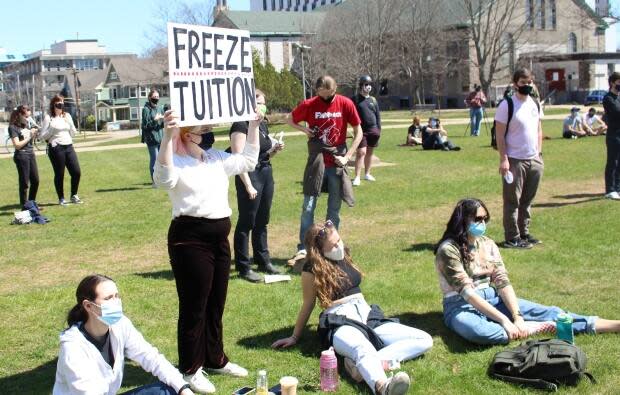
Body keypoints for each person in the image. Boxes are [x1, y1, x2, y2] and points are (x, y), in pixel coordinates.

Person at [154, 109, 262, 393]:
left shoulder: (215, 158)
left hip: (218, 239)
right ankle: (190, 368)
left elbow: (248, 160)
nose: (210, 134)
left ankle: (215, 358)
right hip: (189, 240)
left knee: (216, 302)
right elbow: (163, 180)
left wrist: (253, 126)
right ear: (187, 135)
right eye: (204, 131)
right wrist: (167, 136)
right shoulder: (176, 159)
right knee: (194, 305)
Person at [272, 221, 433, 395]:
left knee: (424, 340)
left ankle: (360, 366)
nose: (339, 245)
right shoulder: (311, 269)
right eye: (333, 245)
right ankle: (382, 386)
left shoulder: (344, 254)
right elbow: (308, 303)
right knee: (362, 348)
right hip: (340, 320)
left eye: (339, 240)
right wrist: (294, 337)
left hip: (367, 314)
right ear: (319, 251)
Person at [435, 198, 620, 346]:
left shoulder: (488, 243)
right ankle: (538, 329)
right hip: (460, 305)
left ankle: (608, 324)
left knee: (549, 311)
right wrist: (505, 321)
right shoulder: (448, 250)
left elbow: (502, 282)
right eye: (477, 219)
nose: (482, 223)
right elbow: (468, 294)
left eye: (485, 219)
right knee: (480, 333)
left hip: (492, 297)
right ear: (463, 220)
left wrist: (517, 316)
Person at [53, 274, 195, 395]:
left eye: (117, 296)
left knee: (170, 390)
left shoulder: (120, 324)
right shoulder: (73, 347)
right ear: (88, 306)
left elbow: (150, 356)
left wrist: (183, 388)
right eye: (108, 298)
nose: (116, 302)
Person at [286, 76, 362, 267]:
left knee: (334, 208)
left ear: (335, 89)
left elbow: (358, 132)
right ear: (317, 90)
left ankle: (330, 245)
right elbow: (290, 119)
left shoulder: (345, 103)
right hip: (316, 162)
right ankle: (304, 248)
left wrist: (347, 157)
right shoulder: (309, 104)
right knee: (308, 206)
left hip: (337, 161)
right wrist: (305, 131)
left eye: (331, 95)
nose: (328, 98)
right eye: (324, 95)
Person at [230, 89, 283, 282]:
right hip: (250, 176)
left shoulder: (261, 125)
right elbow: (238, 158)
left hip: (265, 172)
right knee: (247, 222)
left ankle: (263, 260)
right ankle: (244, 267)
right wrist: (248, 185)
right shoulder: (240, 125)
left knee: (262, 220)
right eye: (260, 101)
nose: (263, 105)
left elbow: (261, 155)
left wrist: (273, 151)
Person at [494, 68, 543, 249]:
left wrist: (539, 153)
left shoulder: (535, 104)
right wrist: (503, 159)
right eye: (523, 83)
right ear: (515, 84)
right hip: (514, 159)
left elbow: (538, 129)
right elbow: (500, 136)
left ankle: (524, 232)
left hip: (534, 159)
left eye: (529, 82)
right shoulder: (507, 105)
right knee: (512, 201)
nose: (527, 86)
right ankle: (512, 237)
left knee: (527, 200)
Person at [39, 94, 83, 206]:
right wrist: (52, 129)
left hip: (68, 146)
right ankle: (61, 198)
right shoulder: (49, 117)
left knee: (76, 172)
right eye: (58, 103)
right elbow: (43, 136)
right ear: (53, 104)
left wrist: (71, 125)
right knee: (60, 174)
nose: (61, 105)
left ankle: (74, 195)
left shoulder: (67, 115)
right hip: (56, 147)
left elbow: (73, 133)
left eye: (62, 103)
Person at [351, 75, 382, 186]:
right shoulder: (355, 99)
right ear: (361, 85)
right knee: (361, 152)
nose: (368, 87)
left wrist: (379, 130)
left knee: (369, 153)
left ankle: (367, 173)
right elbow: (349, 113)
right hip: (361, 131)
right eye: (366, 84)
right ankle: (357, 177)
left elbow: (378, 116)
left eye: (369, 84)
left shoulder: (373, 100)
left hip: (373, 130)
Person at [8, 105, 40, 208]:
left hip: (31, 154)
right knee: (24, 182)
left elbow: (31, 140)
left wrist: (35, 134)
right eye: (26, 117)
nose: (28, 119)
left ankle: (31, 203)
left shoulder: (26, 126)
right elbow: (17, 145)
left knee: (35, 180)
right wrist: (30, 136)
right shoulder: (13, 127)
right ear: (20, 115)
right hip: (22, 155)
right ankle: (25, 205)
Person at [141, 89, 165, 184]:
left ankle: (161, 179)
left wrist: (164, 120)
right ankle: (154, 181)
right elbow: (145, 126)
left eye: (157, 97)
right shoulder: (146, 109)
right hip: (151, 139)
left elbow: (162, 124)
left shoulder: (160, 108)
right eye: (154, 97)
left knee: (161, 160)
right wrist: (155, 120)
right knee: (154, 159)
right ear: (149, 98)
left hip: (160, 138)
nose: (156, 99)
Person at [603, 72, 620, 200]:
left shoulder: (619, 98)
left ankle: (618, 187)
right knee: (612, 162)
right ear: (613, 82)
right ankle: (610, 189)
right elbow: (616, 113)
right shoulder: (608, 98)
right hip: (613, 135)